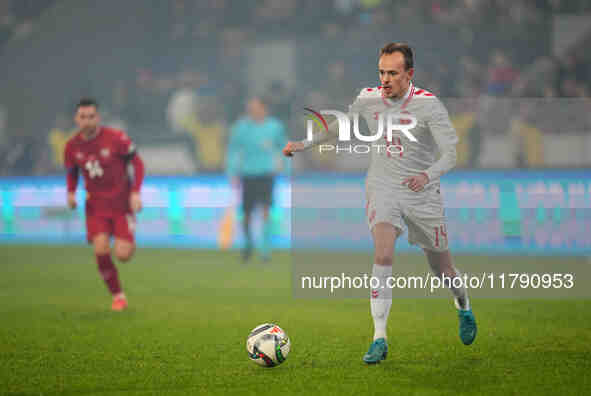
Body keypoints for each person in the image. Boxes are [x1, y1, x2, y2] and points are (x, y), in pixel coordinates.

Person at [283, 43, 477, 364]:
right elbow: (341, 126)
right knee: (383, 253)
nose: (385, 79)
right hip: (383, 187)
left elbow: (451, 154)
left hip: (422, 194)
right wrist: (304, 144)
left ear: (409, 74)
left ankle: (463, 306)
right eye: (382, 72)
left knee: (441, 268)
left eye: (393, 73)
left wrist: (427, 176)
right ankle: (379, 338)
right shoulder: (369, 98)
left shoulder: (429, 106)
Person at [64, 98, 145, 311]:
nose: (87, 121)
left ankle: (127, 238)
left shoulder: (116, 138)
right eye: (83, 117)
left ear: (97, 117)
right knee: (100, 249)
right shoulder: (72, 146)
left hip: (121, 206)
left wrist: (135, 192)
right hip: (96, 208)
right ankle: (118, 296)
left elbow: (137, 163)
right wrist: (71, 193)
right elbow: (72, 172)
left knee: (123, 255)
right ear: (76, 119)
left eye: (91, 117)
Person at [226, 96, 287, 262]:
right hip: (248, 174)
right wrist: (232, 171)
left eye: (254, 107)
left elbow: (283, 147)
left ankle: (265, 249)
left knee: (266, 210)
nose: (251, 110)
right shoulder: (241, 127)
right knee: (246, 213)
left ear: (264, 108)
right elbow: (233, 149)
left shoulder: (275, 126)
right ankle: (248, 243)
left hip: (267, 173)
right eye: (249, 107)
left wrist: (285, 167)